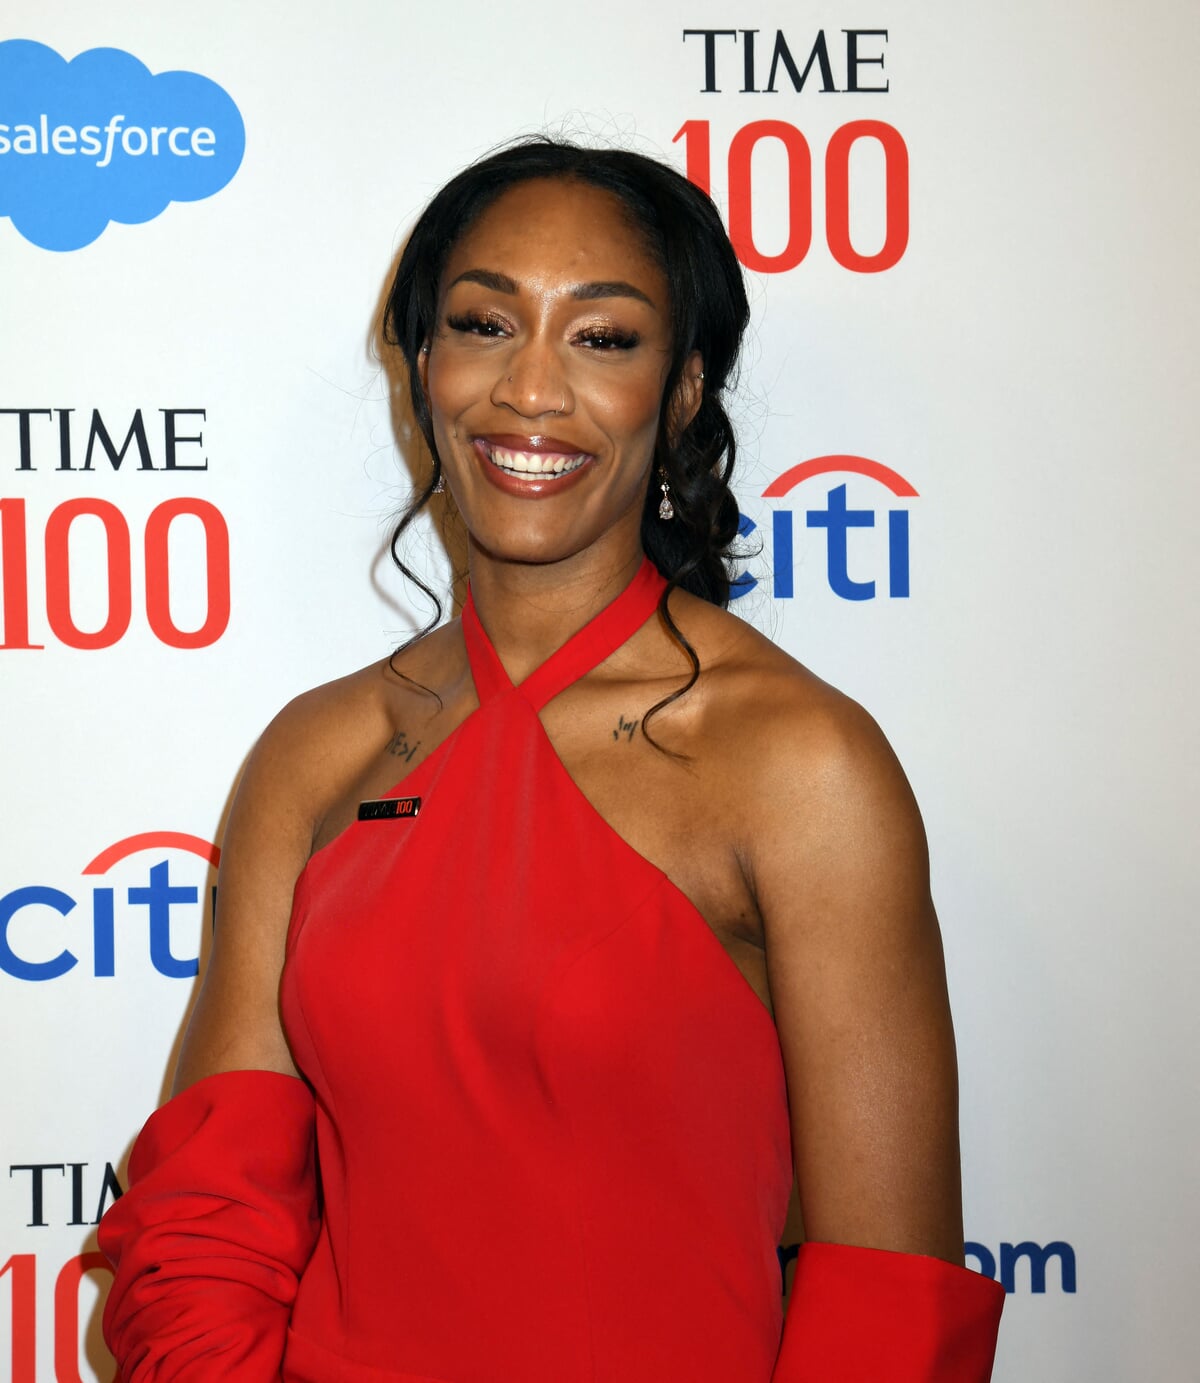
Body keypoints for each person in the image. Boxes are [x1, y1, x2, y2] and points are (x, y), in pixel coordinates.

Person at [99, 137, 1004, 1381]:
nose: (530, 389)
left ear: (681, 392)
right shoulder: (317, 754)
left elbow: (888, 1311)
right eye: (483, 325)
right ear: (422, 366)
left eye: (603, 338)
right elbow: (206, 1223)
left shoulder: (798, 763)